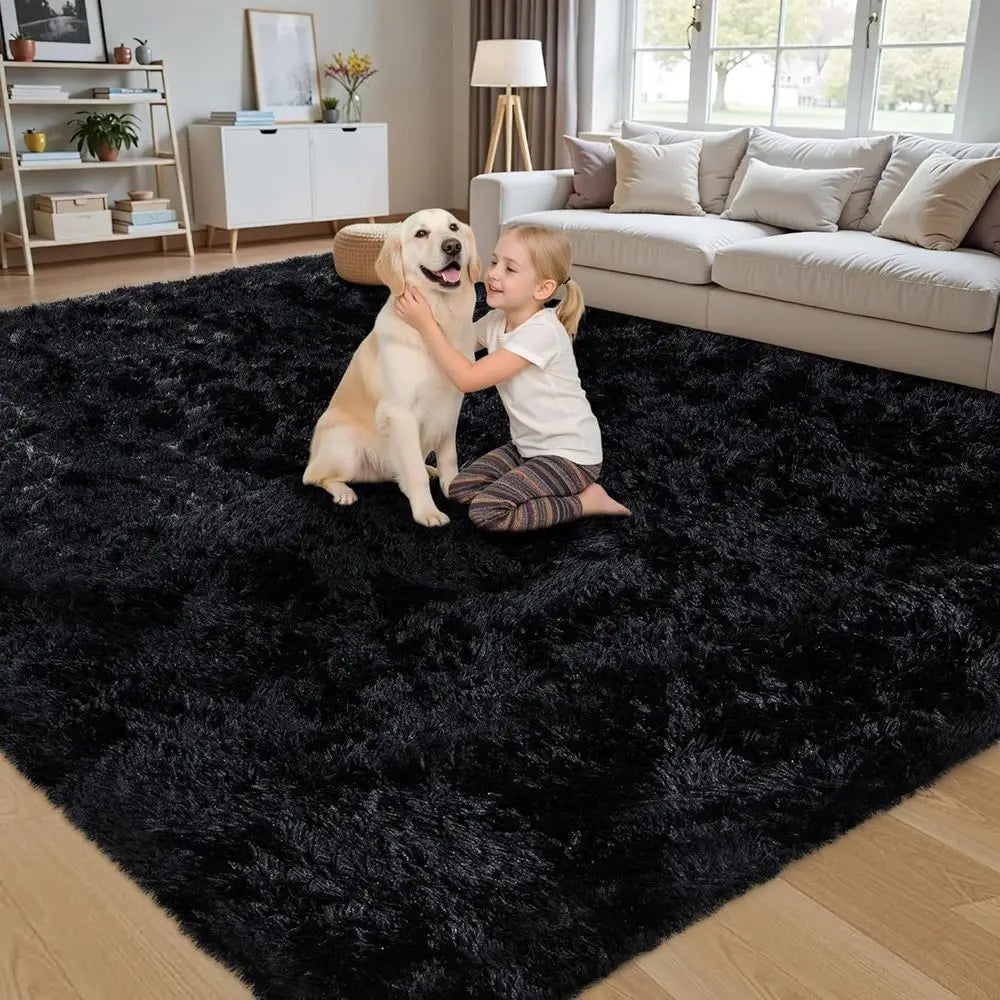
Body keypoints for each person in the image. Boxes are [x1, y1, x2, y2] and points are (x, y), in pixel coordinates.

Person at [394, 223, 630, 532]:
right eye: (494, 262)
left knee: (488, 511)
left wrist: (426, 325)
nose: (493, 274)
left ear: (542, 289)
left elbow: (468, 378)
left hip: (570, 457)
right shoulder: (497, 320)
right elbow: (455, 345)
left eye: (510, 269)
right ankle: (533, 481)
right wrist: (427, 307)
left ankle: (587, 501)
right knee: (460, 489)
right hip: (527, 448)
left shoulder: (541, 333)